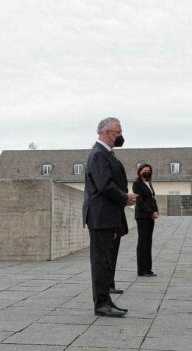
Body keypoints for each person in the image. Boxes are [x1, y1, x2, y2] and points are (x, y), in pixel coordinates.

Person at [82, 117, 137, 317]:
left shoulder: (106, 154)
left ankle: (106, 301)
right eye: (117, 133)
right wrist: (125, 198)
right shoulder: (98, 154)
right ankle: (101, 304)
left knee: (105, 261)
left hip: (107, 215)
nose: (119, 137)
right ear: (105, 132)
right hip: (100, 216)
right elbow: (104, 185)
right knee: (100, 261)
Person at [132, 163, 159, 277]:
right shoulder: (136, 184)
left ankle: (148, 269)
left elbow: (152, 199)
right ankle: (141, 270)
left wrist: (156, 211)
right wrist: (150, 212)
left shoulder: (149, 183)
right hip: (142, 216)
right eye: (145, 170)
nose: (147, 172)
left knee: (148, 242)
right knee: (142, 242)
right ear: (140, 171)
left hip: (150, 216)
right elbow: (140, 201)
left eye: (148, 170)